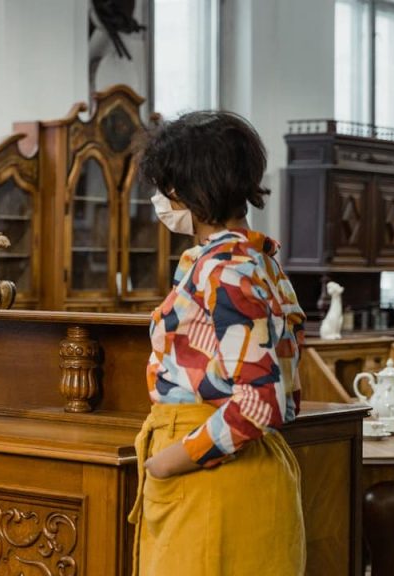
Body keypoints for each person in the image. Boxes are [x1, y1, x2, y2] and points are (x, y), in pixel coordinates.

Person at [127, 111, 307, 575]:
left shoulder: (226, 269)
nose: (162, 199)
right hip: (230, 474)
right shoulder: (254, 259)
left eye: (167, 187)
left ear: (193, 189)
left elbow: (260, 400)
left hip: (214, 480)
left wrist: (171, 460)